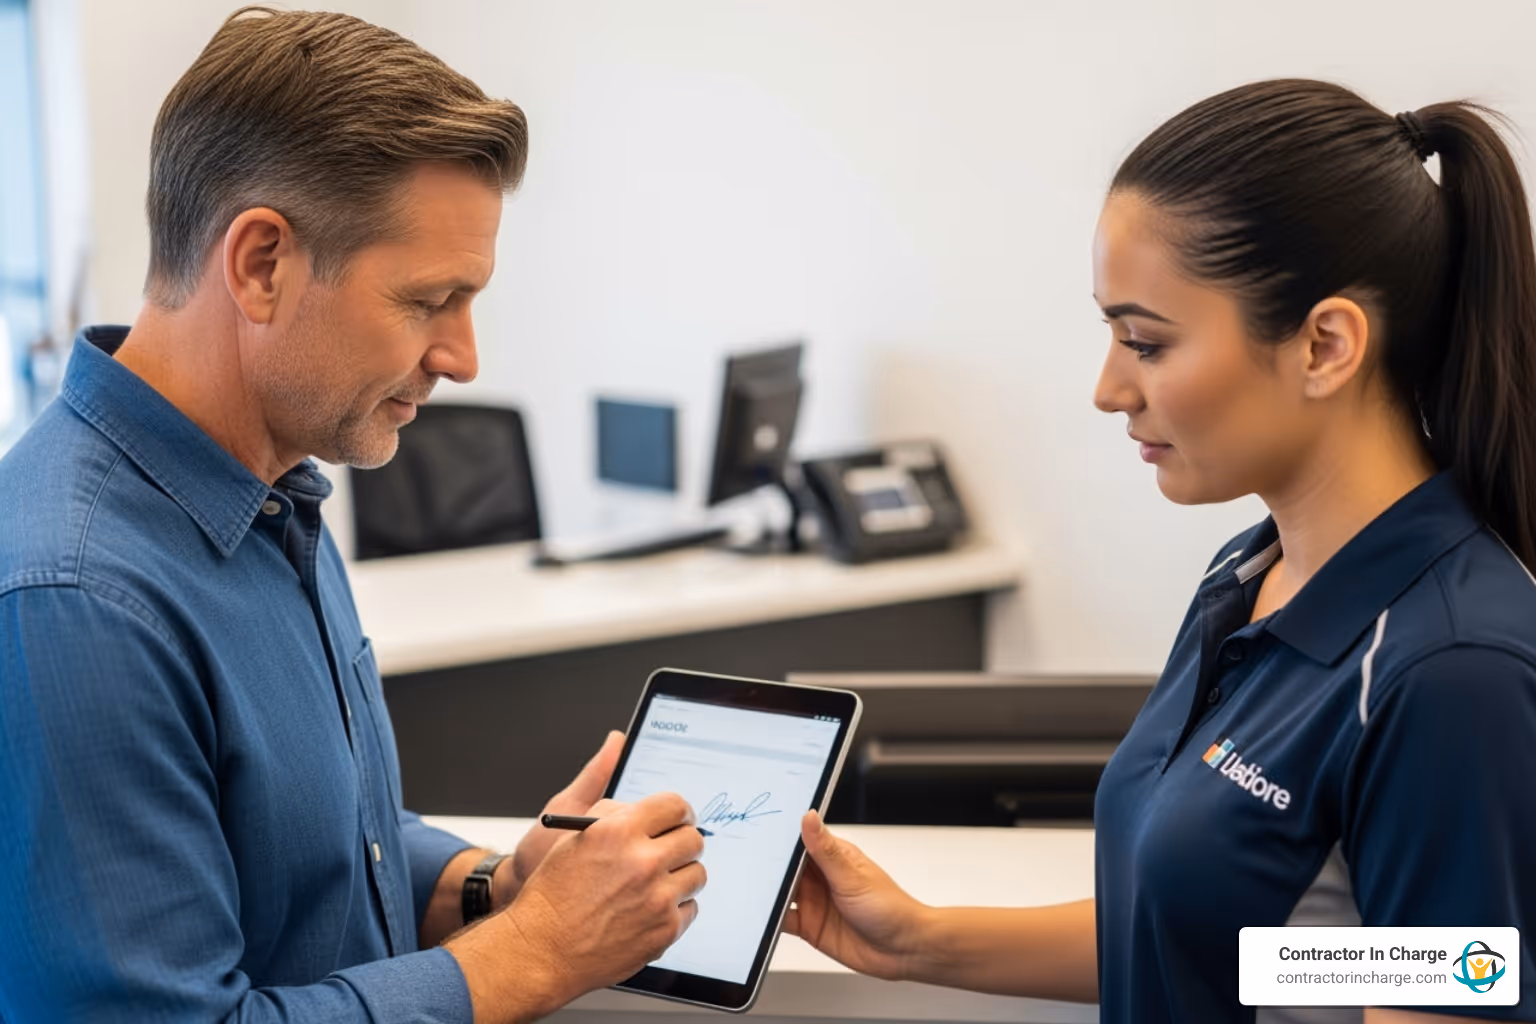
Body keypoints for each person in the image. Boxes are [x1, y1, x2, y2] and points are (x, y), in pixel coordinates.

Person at [0, 8, 705, 1023]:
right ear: (262, 265)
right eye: (429, 300)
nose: (464, 356)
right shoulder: (75, 602)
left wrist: (492, 887)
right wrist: (538, 947)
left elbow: (312, 840)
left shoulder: (275, 494)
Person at [784, 80, 1536, 1023]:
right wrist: (917, 937)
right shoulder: (1249, 576)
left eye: (1145, 341)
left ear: (1325, 345)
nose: (1109, 388)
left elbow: (1435, 995)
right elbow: (1228, 940)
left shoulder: (1451, 671)